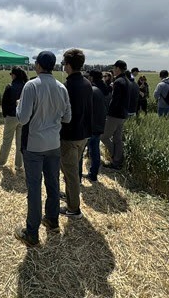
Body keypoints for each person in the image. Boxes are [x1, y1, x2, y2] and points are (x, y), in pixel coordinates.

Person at [14, 51, 71, 246]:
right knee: (53, 184)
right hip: (54, 143)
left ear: (38, 65)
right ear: (54, 66)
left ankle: (31, 232)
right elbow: (67, 118)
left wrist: (18, 106)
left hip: (33, 145)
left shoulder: (31, 85)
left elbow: (23, 119)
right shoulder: (62, 87)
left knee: (34, 187)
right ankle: (52, 220)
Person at [59, 48, 92, 219]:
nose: (63, 66)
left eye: (64, 63)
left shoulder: (67, 86)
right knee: (72, 171)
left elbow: (62, 114)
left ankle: (73, 209)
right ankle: (71, 199)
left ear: (69, 65)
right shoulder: (87, 83)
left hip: (69, 136)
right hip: (83, 135)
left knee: (70, 175)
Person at [0, 66, 28, 170]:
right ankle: (19, 165)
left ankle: (1, 162)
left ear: (14, 75)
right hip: (23, 117)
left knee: (7, 141)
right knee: (20, 142)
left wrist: (5, 115)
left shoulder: (10, 86)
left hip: (11, 116)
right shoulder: (26, 86)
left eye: (11, 74)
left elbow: (4, 103)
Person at [101, 60, 130, 170]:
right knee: (117, 139)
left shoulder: (118, 82)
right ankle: (117, 162)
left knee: (103, 136)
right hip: (123, 114)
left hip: (114, 114)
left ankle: (117, 158)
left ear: (118, 68)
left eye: (114, 68)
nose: (113, 70)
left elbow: (115, 100)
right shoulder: (127, 80)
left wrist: (108, 112)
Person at [84, 70, 108, 182]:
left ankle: (77, 177)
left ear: (92, 78)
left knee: (80, 152)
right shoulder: (100, 90)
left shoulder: (90, 91)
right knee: (95, 151)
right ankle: (93, 175)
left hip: (90, 127)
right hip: (99, 125)